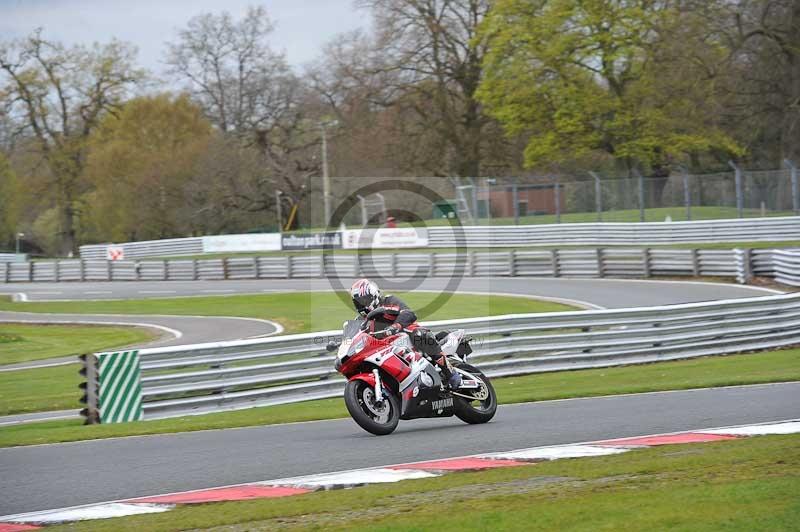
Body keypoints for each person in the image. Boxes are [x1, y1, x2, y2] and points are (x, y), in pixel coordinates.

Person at [350, 278, 462, 389]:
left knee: (419, 335)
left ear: (373, 296)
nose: (361, 305)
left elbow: (409, 313)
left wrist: (395, 326)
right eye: (358, 303)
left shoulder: (388, 301)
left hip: (407, 337)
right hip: (385, 350)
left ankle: (450, 373)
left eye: (364, 300)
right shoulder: (361, 321)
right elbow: (356, 337)